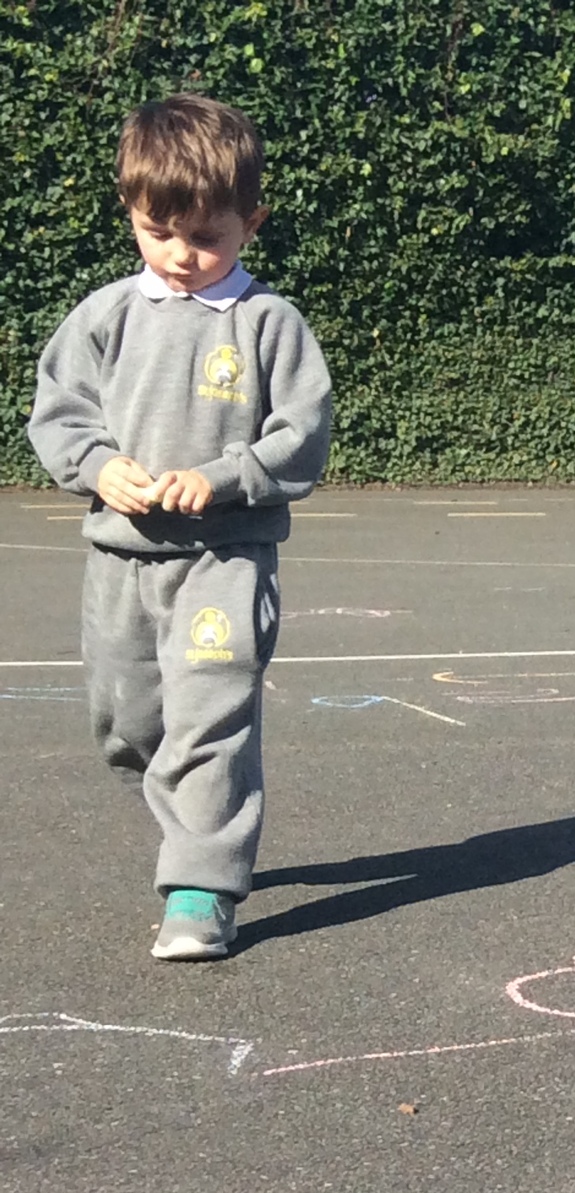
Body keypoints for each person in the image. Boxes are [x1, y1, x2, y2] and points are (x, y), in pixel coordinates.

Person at [26, 95, 333, 960]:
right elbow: (60, 413)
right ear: (131, 212)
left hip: (225, 559)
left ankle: (202, 884)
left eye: (206, 237)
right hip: (121, 562)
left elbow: (302, 435)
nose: (181, 255)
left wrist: (222, 477)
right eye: (158, 232)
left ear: (251, 223)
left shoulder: (269, 323)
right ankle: (196, 830)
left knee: (210, 716)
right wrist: (98, 468)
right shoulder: (105, 316)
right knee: (128, 731)